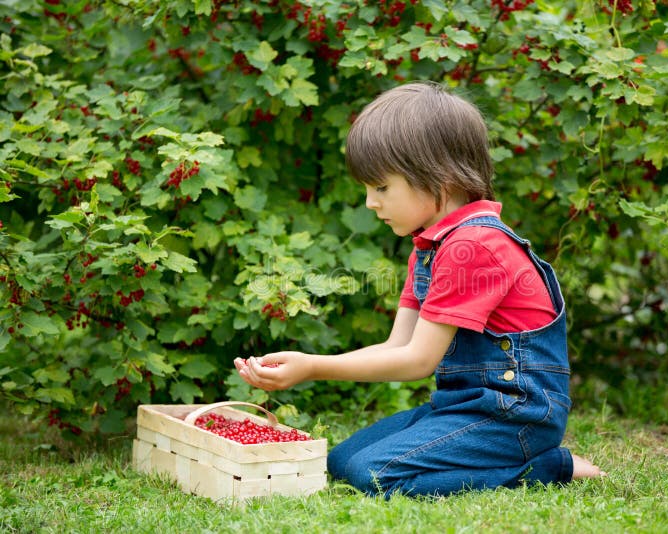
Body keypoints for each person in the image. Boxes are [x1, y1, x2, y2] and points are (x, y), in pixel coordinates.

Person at [234, 81, 604, 498]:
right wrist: (308, 362)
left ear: (437, 177)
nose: (371, 203)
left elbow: (416, 361)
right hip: (464, 406)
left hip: (515, 416)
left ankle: (548, 467)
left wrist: (314, 367)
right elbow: (398, 344)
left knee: (374, 474)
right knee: (341, 461)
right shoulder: (431, 247)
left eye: (381, 188)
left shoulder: (472, 246)